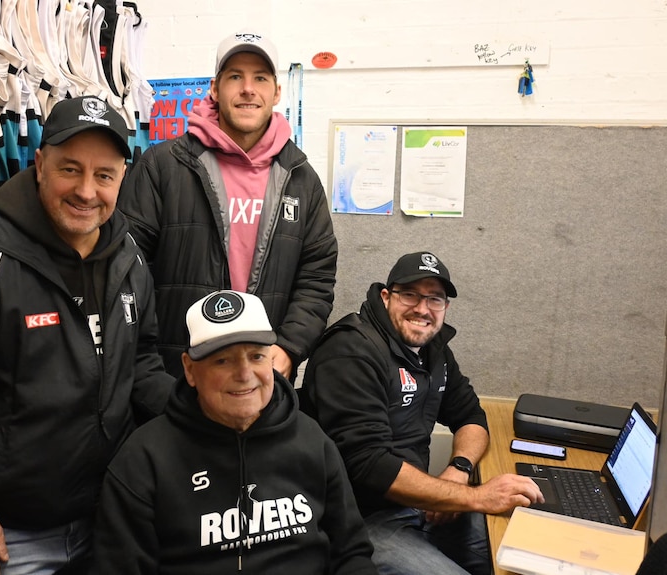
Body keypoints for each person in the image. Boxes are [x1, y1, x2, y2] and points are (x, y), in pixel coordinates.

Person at [0, 95, 174, 575]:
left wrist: (199, 407)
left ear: (122, 177)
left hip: (111, 516)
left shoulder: (129, 256)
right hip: (7, 536)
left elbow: (140, 359)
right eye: (70, 169)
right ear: (39, 164)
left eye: (104, 175)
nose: (87, 191)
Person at [91, 290, 377, 575]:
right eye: (222, 360)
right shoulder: (144, 459)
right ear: (189, 370)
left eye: (256, 356)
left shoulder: (313, 440)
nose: (244, 374)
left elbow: (351, 553)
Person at [300, 251, 545, 575]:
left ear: (445, 307)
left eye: (434, 299)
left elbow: (471, 416)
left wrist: (458, 469)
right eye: (410, 295)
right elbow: (369, 465)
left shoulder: (434, 349)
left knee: (528, 554)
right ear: (387, 297)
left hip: (417, 506)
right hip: (358, 522)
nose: (422, 308)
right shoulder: (350, 352)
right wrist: (474, 497)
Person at [117, 30, 337, 380]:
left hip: (263, 376)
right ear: (215, 89)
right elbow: (127, 271)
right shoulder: (162, 167)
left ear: (276, 92)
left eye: (260, 78)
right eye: (235, 76)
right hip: (175, 374)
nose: (248, 88)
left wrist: (288, 347)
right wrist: (147, 361)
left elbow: (316, 277)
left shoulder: (301, 178)